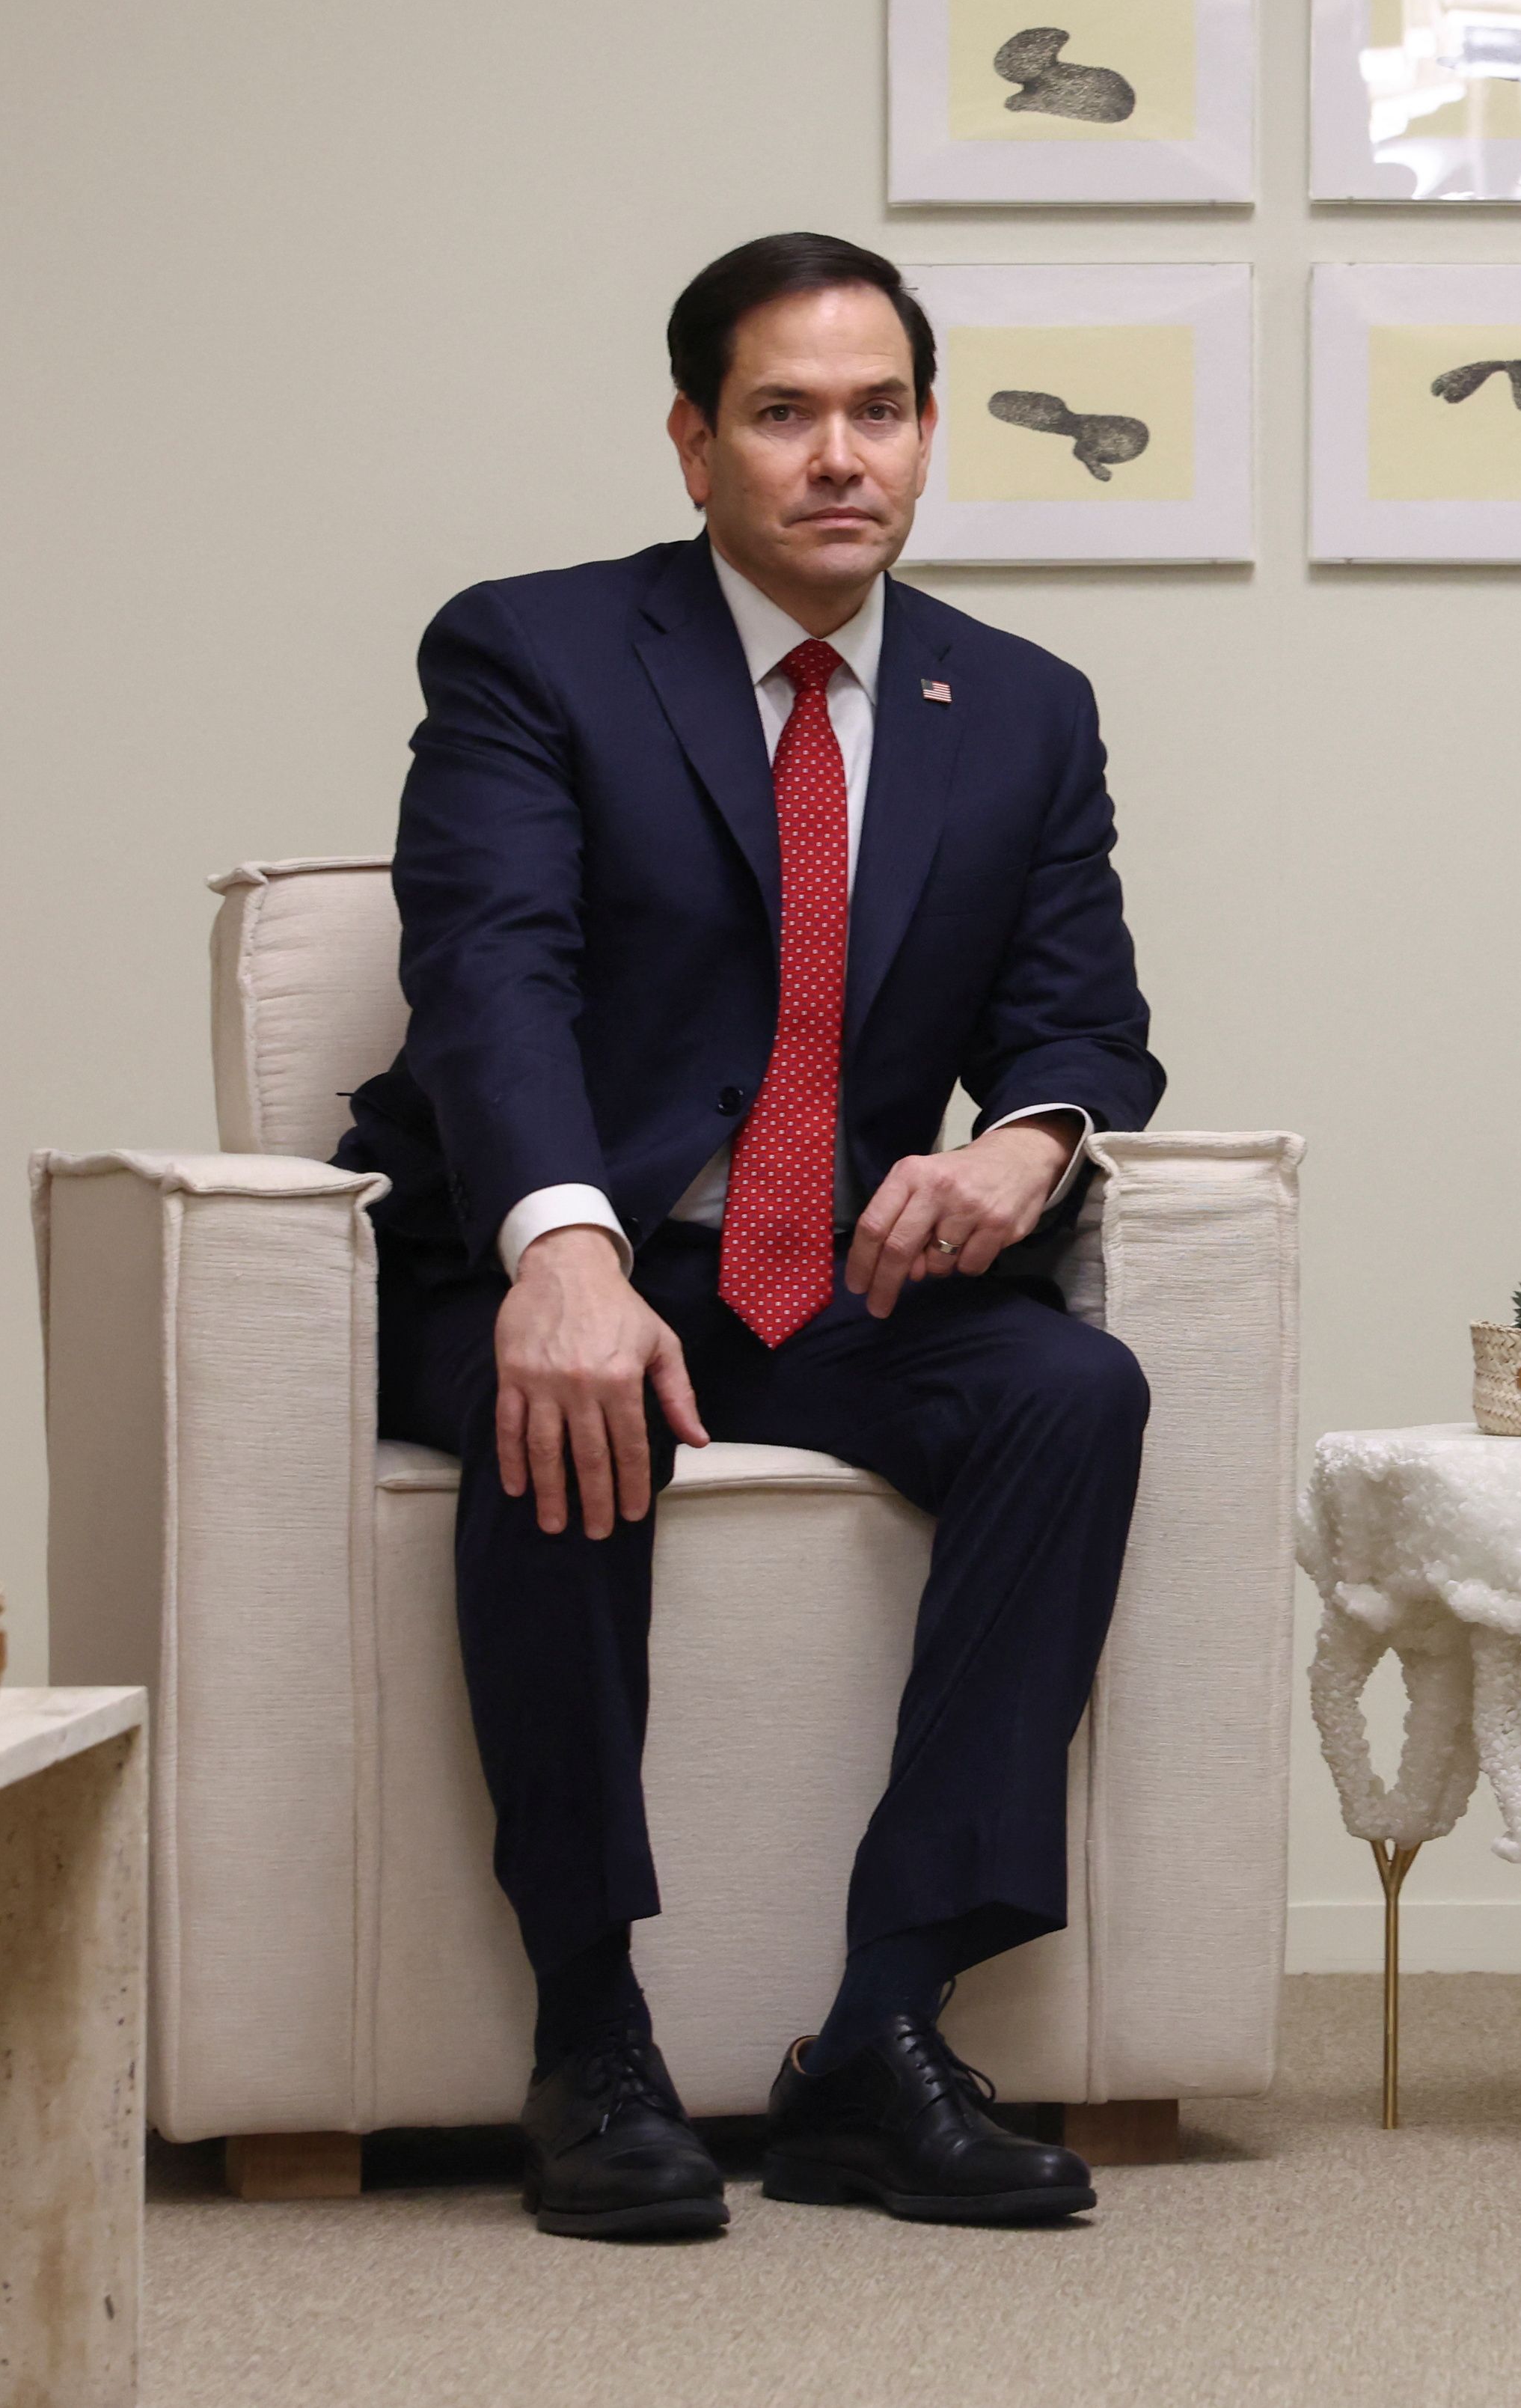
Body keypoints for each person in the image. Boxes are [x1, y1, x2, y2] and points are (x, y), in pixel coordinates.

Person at [342, 233, 1163, 2240]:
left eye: (876, 410)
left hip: (823, 1278)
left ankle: (881, 2033)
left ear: (926, 434)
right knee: (579, 1396)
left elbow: (1082, 1020)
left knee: (1071, 1388)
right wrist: (562, 1242)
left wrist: (1029, 1143)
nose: (836, 456)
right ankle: (587, 2023)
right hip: (539, 1256)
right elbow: (491, 974)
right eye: (783, 412)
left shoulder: (1022, 707)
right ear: (694, 439)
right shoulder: (535, 652)